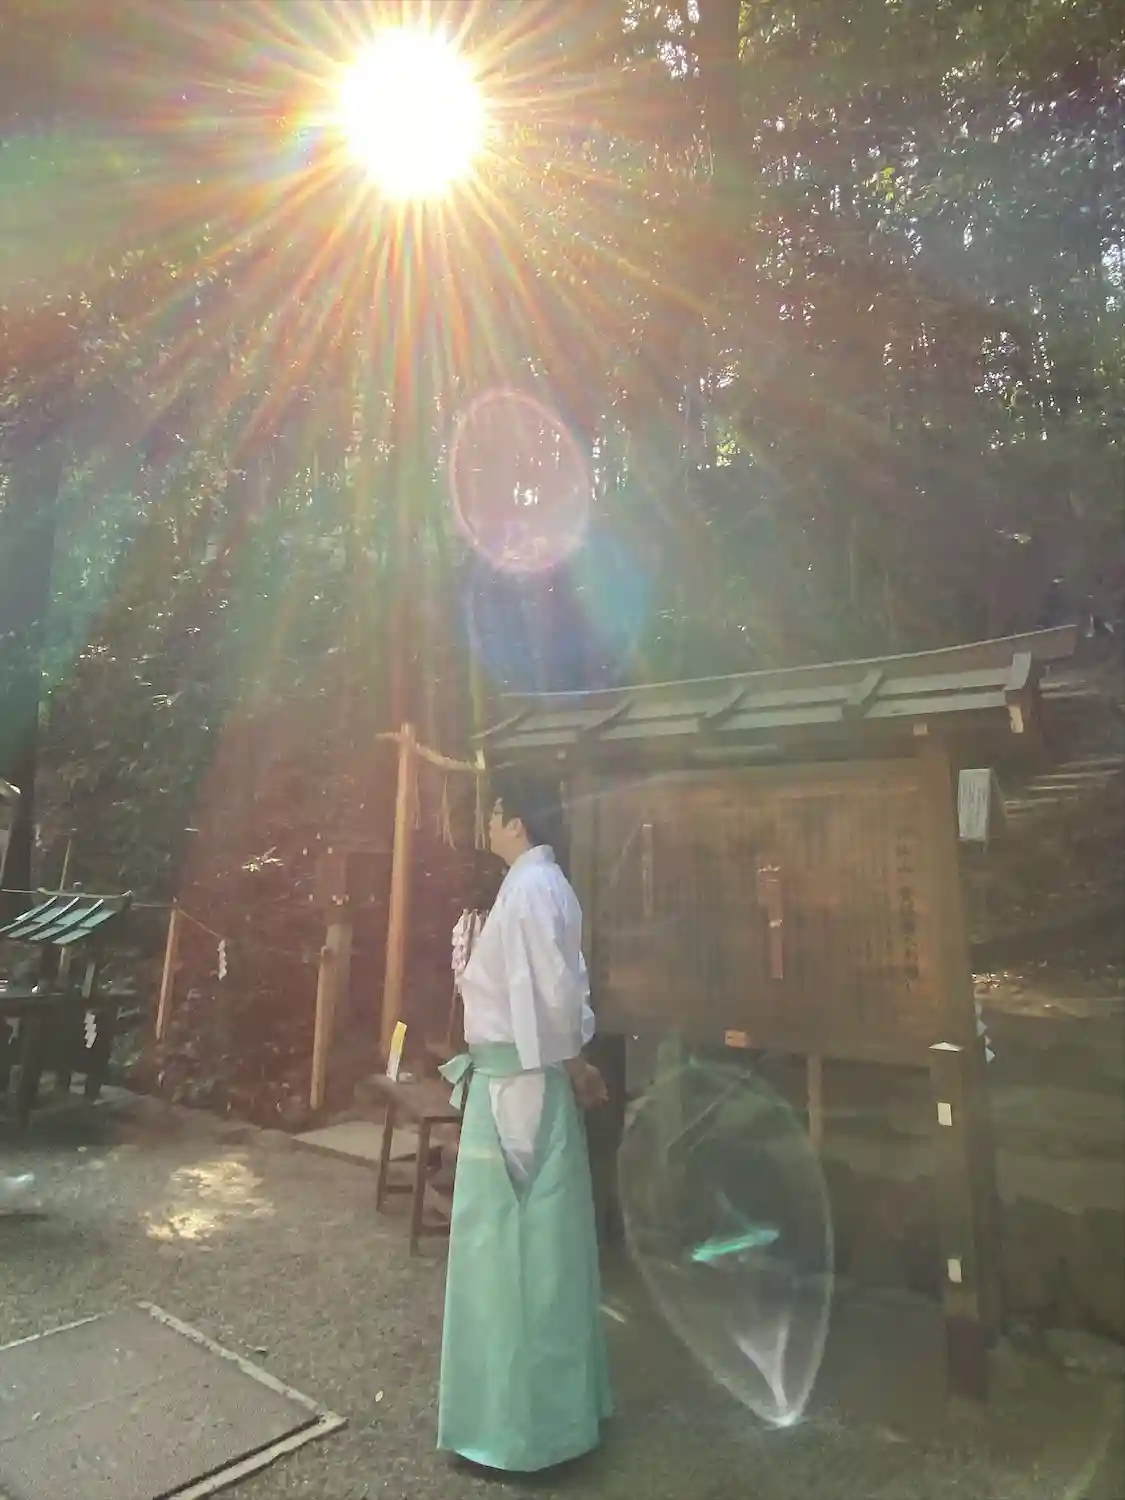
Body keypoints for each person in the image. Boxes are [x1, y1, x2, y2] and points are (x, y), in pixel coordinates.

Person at [437, 770, 612, 1474]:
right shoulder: (533, 885)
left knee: (514, 1249)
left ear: (517, 822)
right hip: (515, 1078)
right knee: (524, 1246)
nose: (486, 824)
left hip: (520, 1083)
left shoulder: (535, 887)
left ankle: (523, 1430)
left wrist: (573, 1063)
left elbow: (554, 995)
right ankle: (527, 1419)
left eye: (495, 813)